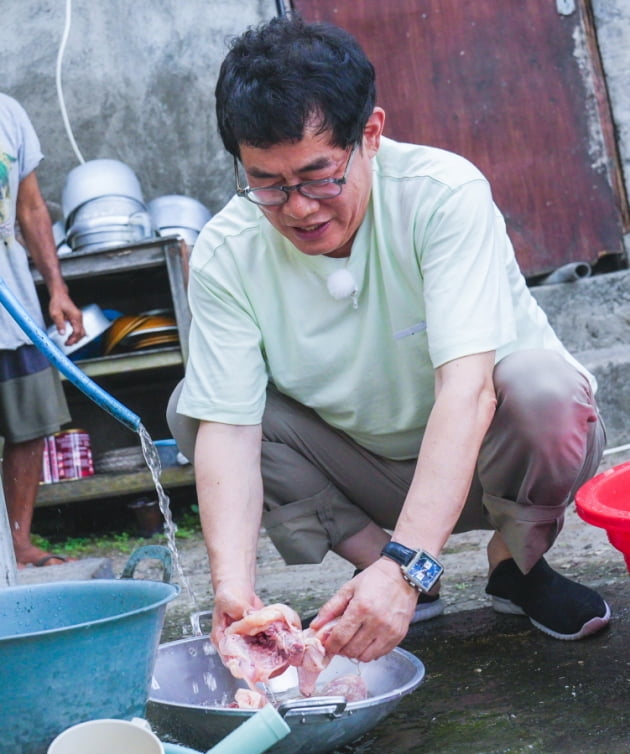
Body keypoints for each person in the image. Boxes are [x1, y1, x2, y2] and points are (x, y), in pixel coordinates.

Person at [167, 14, 609, 662]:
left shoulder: (441, 196)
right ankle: (377, 574)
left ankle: (514, 564)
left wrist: (411, 561)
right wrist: (233, 592)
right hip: (362, 469)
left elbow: (468, 393)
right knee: (197, 409)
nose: (299, 207)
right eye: (268, 183)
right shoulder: (226, 252)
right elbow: (233, 432)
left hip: (490, 455)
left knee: (546, 393)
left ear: (370, 134)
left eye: (320, 176)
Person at [0, 92, 85, 567]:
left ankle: (18, 541)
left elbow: (31, 209)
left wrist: (56, 288)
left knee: (29, 423)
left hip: (11, 299)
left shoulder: (8, 113)